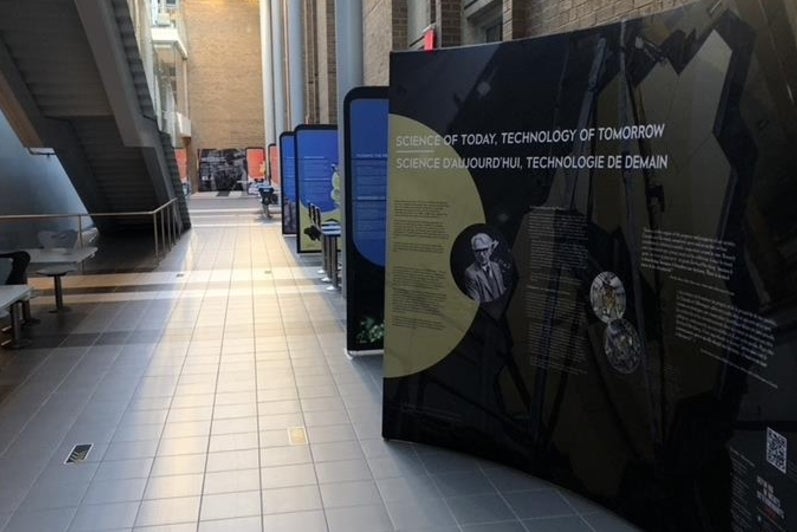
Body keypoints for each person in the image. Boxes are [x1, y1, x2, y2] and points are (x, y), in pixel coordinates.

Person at [464, 232, 506, 303]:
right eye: (477, 251)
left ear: (491, 250)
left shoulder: (496, 266)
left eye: (484, 250)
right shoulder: (470, 273)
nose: (481, 255)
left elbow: (502, 290)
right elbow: (476, 302)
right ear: (474, 253)